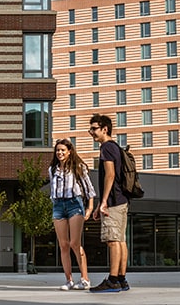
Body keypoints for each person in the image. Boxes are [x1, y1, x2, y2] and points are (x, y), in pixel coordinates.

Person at [89, 114, 130, 293]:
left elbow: (110, 175)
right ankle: (121, 279)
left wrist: (103, 202)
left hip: (113, 202)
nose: (91, 132)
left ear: (104, 129)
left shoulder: (106, 148)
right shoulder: (116, 147)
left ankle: (113, 281)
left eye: (94, 128)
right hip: (121, 201)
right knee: (120, 240)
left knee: (113, 241)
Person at [49, 137, 95, 290]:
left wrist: (89, 208)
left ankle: (85, 279)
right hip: (58, 205)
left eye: (62, 150)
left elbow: (89, 189)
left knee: (75, 243)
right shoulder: (52, 169)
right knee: (63, 245)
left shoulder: (78, 167)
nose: (59, 152)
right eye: (57, 150)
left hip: (75, 204)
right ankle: (69, 280)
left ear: (69, 152)